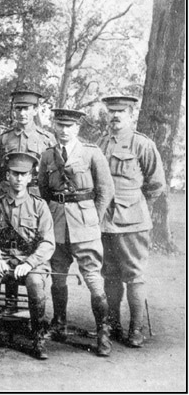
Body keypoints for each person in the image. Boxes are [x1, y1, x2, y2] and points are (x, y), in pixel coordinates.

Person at [38, 108, 115, 356]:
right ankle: (59, 323)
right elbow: (43, 190)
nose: (64, 130)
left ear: (77, 128)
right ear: (54, 127)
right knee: (58, 276)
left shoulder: (91, 153)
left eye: (69, 126)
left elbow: (105, 190)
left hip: (85, 224)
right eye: (60, 125)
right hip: (57, 223)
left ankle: (103, 332)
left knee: (93, 278)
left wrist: (93, 218)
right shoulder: (47, 156)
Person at [97, 95, 166, 348]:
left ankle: (136, 328)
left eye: (121, 111)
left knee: (134, 276)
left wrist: (137, 206)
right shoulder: (101, 142)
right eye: (111, 111)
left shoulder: (142, 144)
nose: (115, 116)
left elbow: (156, 184)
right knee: (110, 275)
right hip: (105, 221)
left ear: (130, 114)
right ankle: (113, 323)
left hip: (133, 223)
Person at [0, 152, 55, 359]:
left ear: (30, 177)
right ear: (7, 176)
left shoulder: (39, 206)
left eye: (24, 174)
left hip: (30, 262)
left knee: (35, 283)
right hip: (3, 259)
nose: (19, 179)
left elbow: (47, 243)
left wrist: (30, 263)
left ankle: (38, 336)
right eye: (15, 173)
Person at [0, 90, 57, 197]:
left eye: (26, 109)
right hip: (10, 193)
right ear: (14, 111)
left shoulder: (47, 139)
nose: (22, 113)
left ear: (35, 110)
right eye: (18, 108)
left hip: (36, 194)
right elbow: (0, 171)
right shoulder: (4, 138)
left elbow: (53, 172)